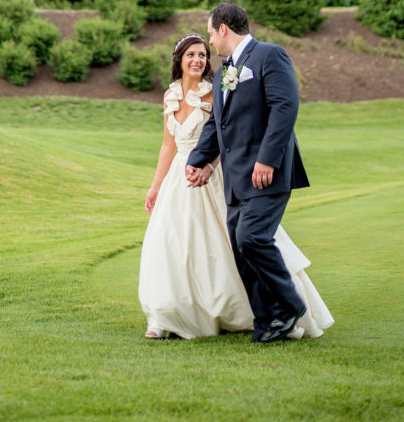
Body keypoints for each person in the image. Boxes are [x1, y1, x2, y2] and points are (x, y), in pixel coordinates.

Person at [139, 30, 333, 341]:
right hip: (180, 176)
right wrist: (156, 185)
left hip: (213, 174)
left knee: (234, 244)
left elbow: (223, 136)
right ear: (179, 60)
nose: (198, 59)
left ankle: (261, 309)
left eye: (203, 54)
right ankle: (167, 315)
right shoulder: (170, 94)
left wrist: (209, 165)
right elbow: (168, 146)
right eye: (191, 54)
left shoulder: (216, 88)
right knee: (173, 245)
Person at [186, 2, 324, 343]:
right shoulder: (222, 74)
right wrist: (198, 159)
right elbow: (216, 126)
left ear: (223, 29)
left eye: (211, 34)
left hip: (267, 173)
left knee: (252, 238)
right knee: (241, 249)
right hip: (235, 179)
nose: (211, 43)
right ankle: (269, 322)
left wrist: (267, 159)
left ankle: (290, 305)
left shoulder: (269, 56)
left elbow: (285, 107)